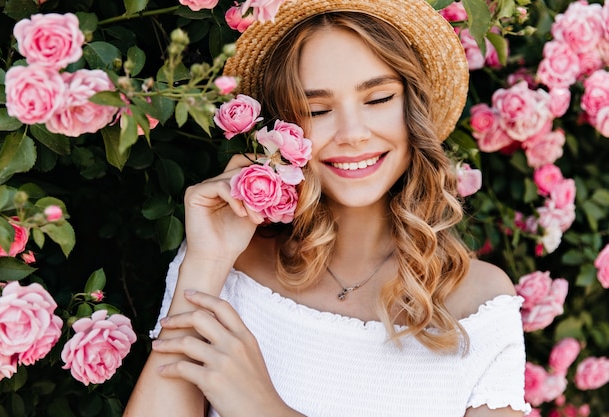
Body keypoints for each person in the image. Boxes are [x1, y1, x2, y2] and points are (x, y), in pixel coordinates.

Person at [123, 0, 530, 416]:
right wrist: (208, 261)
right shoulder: (227, 266)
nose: (353, 134)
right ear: (281, 129)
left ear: (412, 110)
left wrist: (262, 406)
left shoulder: (480, 305)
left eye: (378, 98)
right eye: (317, 109)